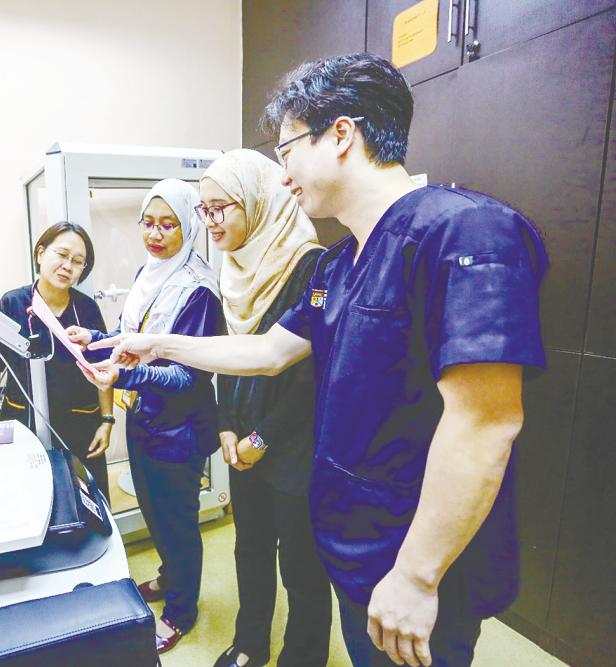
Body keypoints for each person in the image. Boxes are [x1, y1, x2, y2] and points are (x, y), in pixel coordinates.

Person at [90, 53, 548, 667]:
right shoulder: (338, 263)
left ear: (341, 135)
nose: (282, 178)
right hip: (356, 545)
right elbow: (269, 351)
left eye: (285, 153)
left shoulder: (464, 233)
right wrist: (158, 343)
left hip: (417, 557)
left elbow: (486, 422)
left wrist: (416, 576)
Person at [70, 178, 222, 654]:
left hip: (179, 430)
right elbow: (131, 334)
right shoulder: (149, 271)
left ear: (188, 227)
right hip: (144, 421)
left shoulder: (199, 291)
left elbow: (186, 378)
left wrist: (122, 378)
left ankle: (181, 610)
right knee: (156, 516)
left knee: (177, 522)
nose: (156, 234)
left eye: (169, 225)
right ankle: (167, 577)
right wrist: (94, 338)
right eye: (149, 223)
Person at [199, 149, 332, 667]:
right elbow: (223, 357)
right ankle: (250, 644)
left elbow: (309, 377)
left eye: (219, 208)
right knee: (249, 550)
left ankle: (303, 656)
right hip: (242, 443)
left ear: (255, 201)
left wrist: (262, 439)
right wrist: (228, 428)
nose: (210, 222)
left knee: (302, 566)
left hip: (293, 445)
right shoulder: (233, 268)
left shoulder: (309, 265)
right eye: (203, 211)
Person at [0, 221, 113, 501]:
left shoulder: (86, 308)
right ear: (40, 254)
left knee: (89, 501)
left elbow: (102, 366)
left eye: (78, 261)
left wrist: (107, 420)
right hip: (26, 421)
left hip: (82, 426)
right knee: (33, 498)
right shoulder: (13, 303)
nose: (68, 265)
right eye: (61, 254)